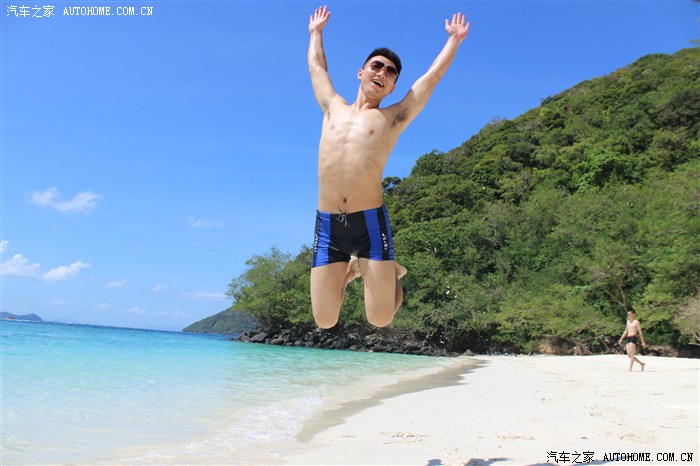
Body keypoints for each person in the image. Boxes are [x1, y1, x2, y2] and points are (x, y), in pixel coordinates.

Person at [307, 6, 470, 329]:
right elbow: (317, 67)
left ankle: (391, 270)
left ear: (393, 86)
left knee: (380, 319)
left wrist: (454, 40)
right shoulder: (332, 108)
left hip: (369, 223)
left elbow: (431, 78)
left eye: (391, 72)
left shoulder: (392, 118)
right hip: (328, 225)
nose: (382, 72)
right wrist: (316, 32)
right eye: (377, 66)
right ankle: (352, 271)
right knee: (324, 320)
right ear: (361, 72)